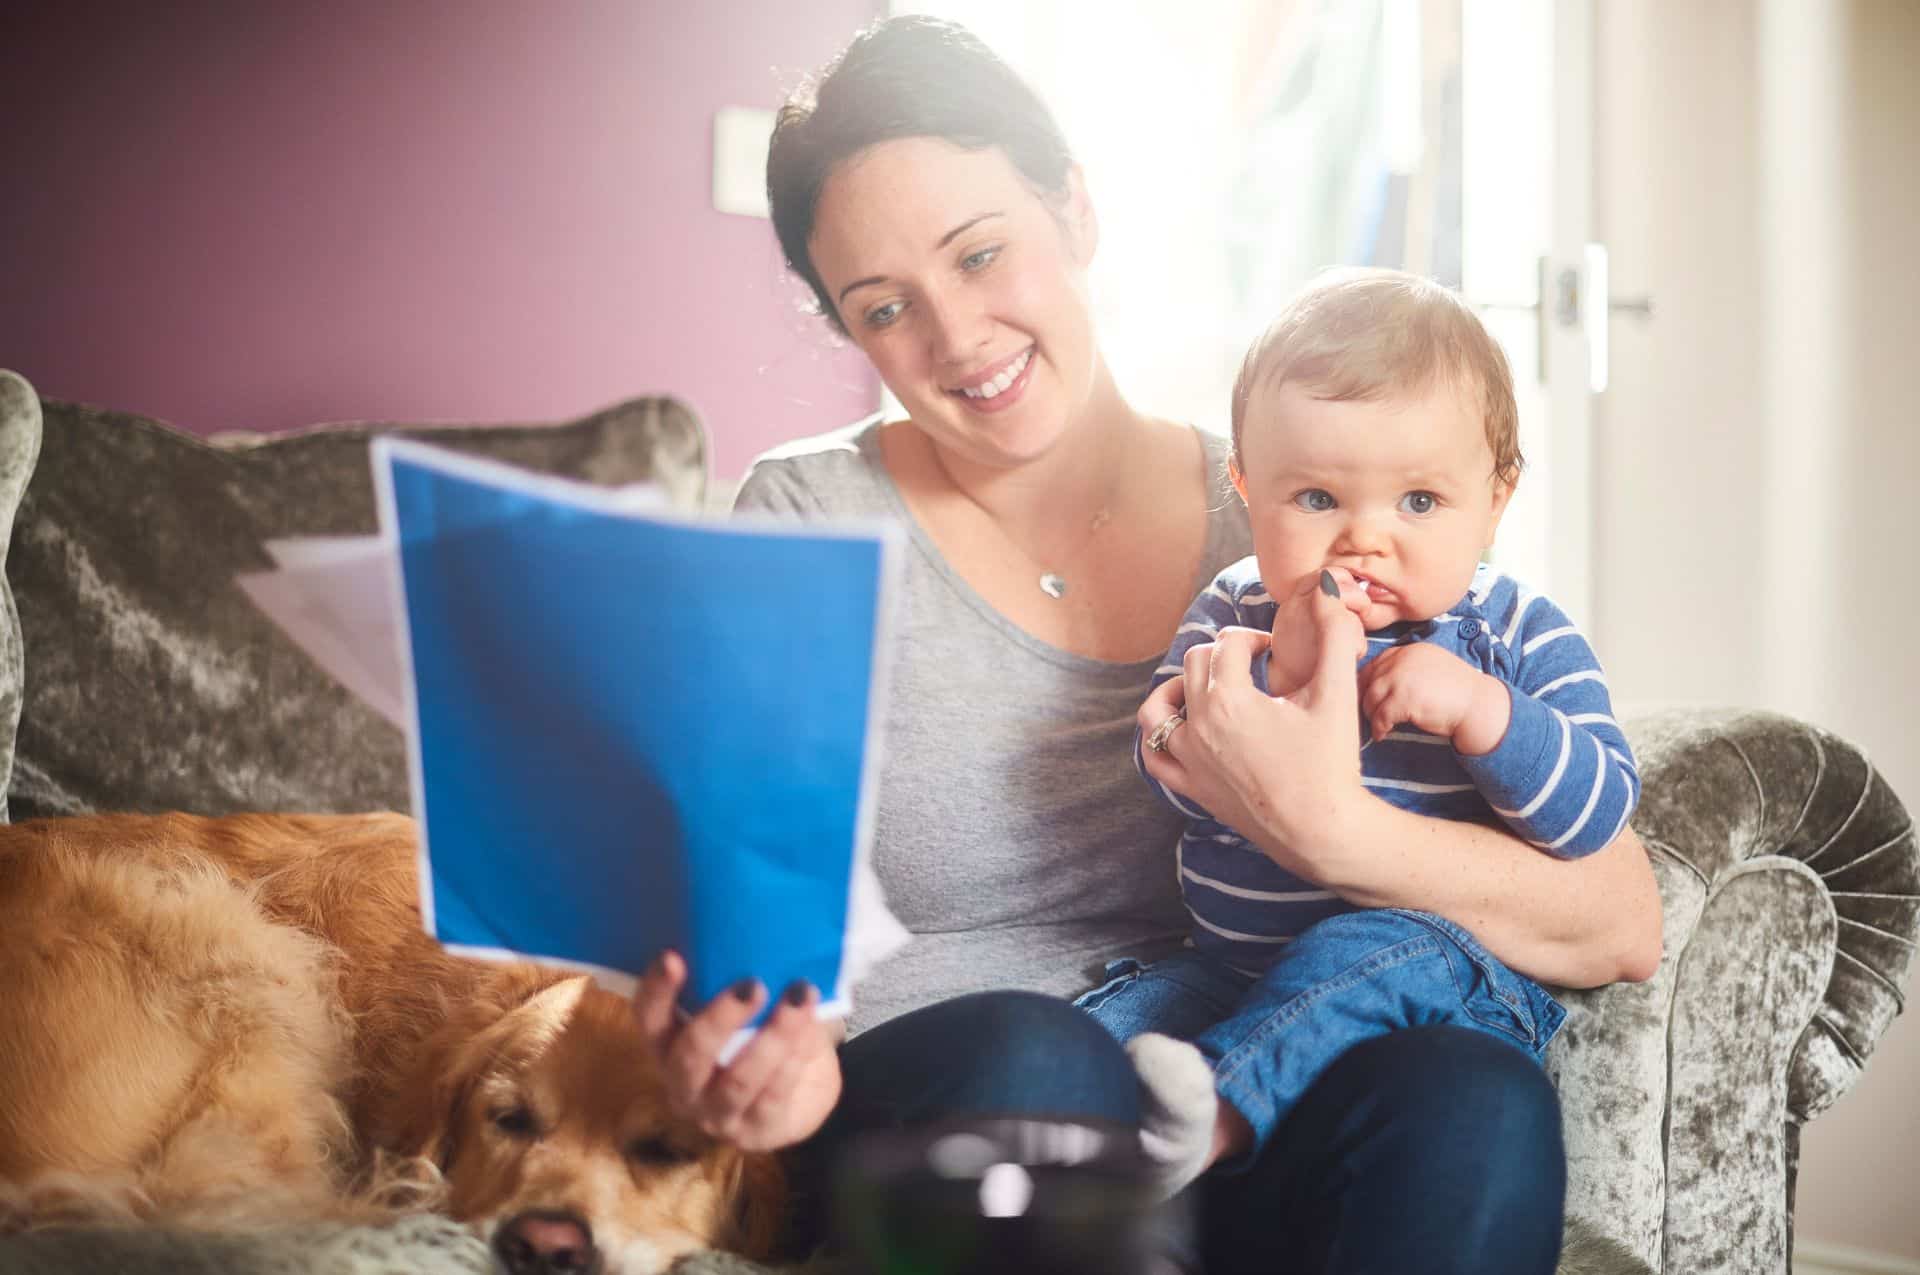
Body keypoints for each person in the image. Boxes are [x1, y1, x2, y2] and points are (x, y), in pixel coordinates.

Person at [626, 16, 1663, 1274]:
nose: (956, 339)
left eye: (983, 253)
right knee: (1038, 1058)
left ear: (1074, 209)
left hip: (1241, 1099)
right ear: (847, 329)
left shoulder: (1305, 507)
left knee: (1470, 1096)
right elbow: (743, 898)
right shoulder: (810, 521)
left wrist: (1329, 826)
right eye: (886, 306)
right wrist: (749, 1063)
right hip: (963, 1108)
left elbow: (1616, 919)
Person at [1081, 266, 1642, 1199]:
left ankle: (1213, 1114)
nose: (1363, 541)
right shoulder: (1234, 610)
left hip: (1436, 988)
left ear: (1496, 498)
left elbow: (1596, 813)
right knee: (1104, 1032)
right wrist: (1276, 679)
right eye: (1316, 500)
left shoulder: (1519, 634)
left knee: (1375, 947)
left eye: (1418, 502)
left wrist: (1482, 715)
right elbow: (1165, 767)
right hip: (1232, 973)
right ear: (1246, 485)